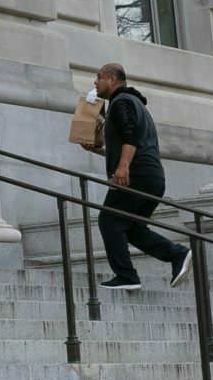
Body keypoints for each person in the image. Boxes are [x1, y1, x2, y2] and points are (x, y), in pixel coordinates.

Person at [81, 62, 192, 291]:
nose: (95, 82)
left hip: (136, 175)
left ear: (113, 80)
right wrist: (99, 151)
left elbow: (130, 136)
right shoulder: (135, 103)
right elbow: (132, 142)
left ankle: (126, 276)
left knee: (109, 221)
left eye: (99, 77)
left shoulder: (121, 102)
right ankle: (177, 254)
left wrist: (123, 167)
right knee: (132, 228)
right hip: (152, 176)